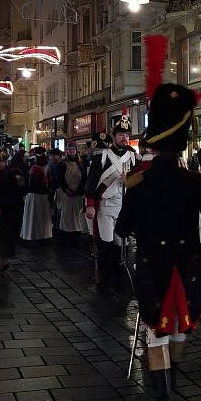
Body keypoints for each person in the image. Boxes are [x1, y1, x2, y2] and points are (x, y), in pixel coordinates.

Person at [116, 80, 201, 401]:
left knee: (155, 331)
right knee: (179, 329)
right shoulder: (194, 181)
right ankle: (172, 378)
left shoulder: (138, 182)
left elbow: (122, 228)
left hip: (153, 267)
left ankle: (162, 399)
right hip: (186, 267)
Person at [85, 112, 138, 290]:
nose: (125, 138)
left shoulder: (132, 156)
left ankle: (117, 276)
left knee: (120, 244)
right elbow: (92, 181)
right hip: (105, 207)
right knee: (106, 243)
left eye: (127, 135)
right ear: (114, 136)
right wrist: (90, 205)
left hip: (123, 205)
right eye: (121, 135)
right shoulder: (102, 155)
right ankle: (106, 278)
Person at [20, 147, 53, 242]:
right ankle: (36, 236)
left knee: (37, 216)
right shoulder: (36, 166)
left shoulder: (36, 164)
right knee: (36, 216)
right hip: (36, 194)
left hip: (39, 194)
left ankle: (38, 236)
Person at [54, 142, 87, 235]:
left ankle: (77, 233)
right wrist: (67, 190)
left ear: (76, 151)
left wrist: (79, 190)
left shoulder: (81, 163)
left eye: (73, 149)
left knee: (78, 215)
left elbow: (84, 177)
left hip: (78, 193)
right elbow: (60, 178)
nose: (71, 151)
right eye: (69, 149)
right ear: (67, 151)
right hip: (66, 193)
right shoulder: (62, 164)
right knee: (67, 215)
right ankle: (67, 234)